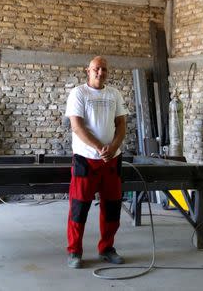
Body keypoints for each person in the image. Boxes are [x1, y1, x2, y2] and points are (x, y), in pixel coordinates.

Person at [65, 56, 129, 269]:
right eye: (96, 69)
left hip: (112, 160)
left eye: (104, 70)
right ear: (88, 70)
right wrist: (99, 148)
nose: (100, 72)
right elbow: (77, 126)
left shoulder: (114, 94)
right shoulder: (79, 93)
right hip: (86, 159)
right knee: (79, 207)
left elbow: (121, 124)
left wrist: (113, 147)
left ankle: (107, 248)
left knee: (112, 207)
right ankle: (74, 251)